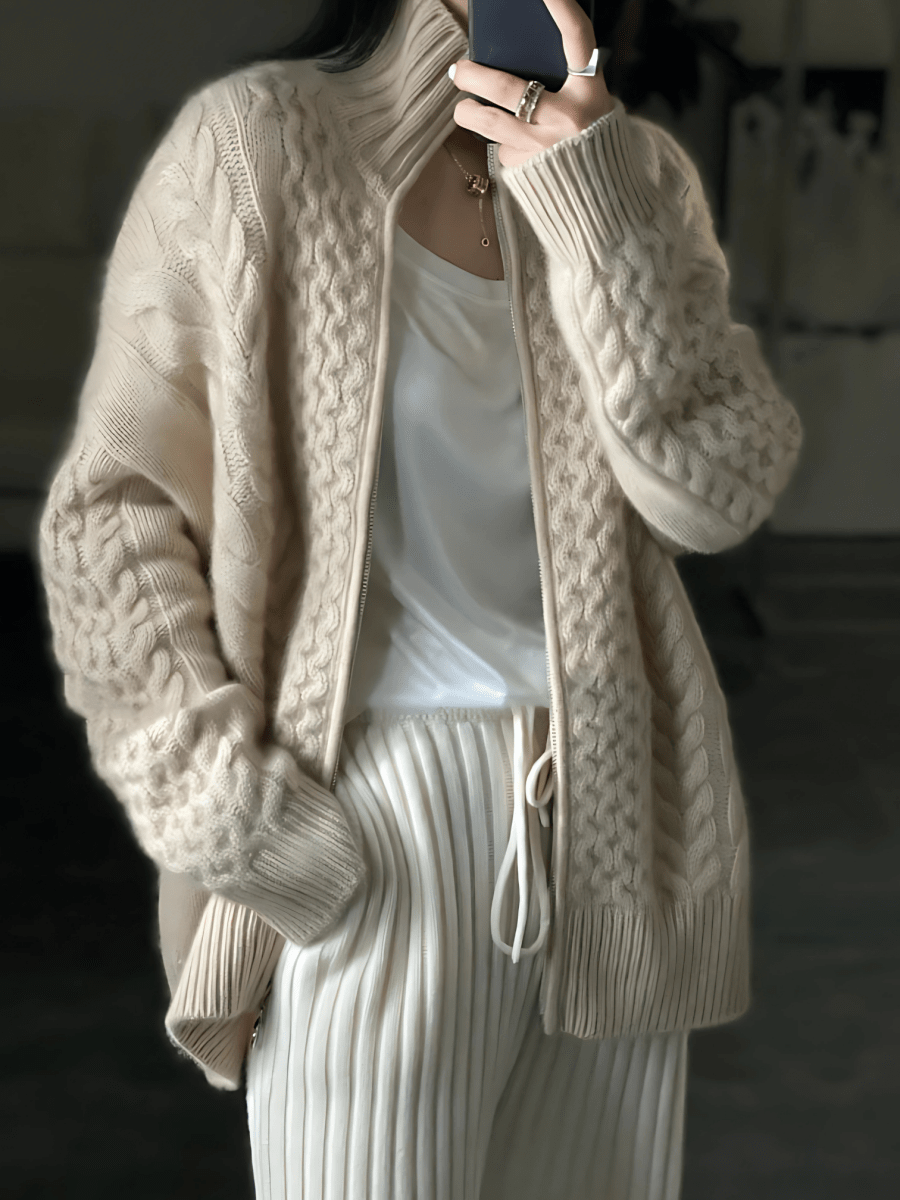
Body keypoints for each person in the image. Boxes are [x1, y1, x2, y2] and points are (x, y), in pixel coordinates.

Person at [35, 0, 804, 1196]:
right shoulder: (258, 144)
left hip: (616, 839)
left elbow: (719, 493)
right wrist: (232, 816)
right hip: (374, 826)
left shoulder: (635, 175)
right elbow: (111, 517)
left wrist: (596, 208)